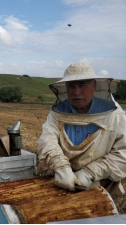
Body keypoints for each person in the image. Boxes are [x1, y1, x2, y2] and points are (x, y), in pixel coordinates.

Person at [38, 62, 126, 202]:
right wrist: (60, 165)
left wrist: (90, 172)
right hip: (64, 183)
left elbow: (123, 153)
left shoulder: (115, 114)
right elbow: (47, 139)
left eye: (82, 85)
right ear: (65, 88)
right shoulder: (57, 113)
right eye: (71, 86)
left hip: (102, 187)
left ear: (94, 85)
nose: (76, 92)